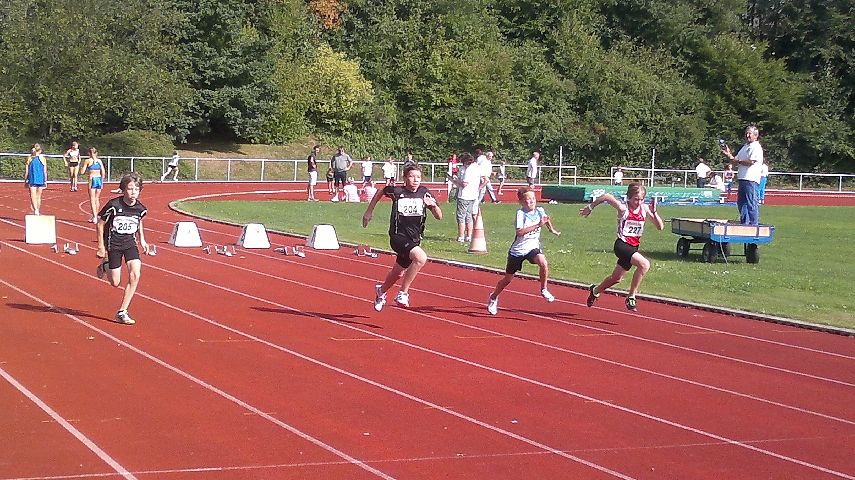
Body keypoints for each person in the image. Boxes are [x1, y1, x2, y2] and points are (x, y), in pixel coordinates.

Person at [363, 164, 442, 311]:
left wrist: (433, 206)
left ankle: (381, 291)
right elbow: (380, 191)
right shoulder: (397, 192)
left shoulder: (424, 193)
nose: (415, 180)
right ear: (405, 178)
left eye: (418, 177)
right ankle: (403, 293)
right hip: (397, 237)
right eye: (412, 176)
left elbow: (439, 217)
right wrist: (368, 212)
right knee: (420, 258)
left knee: (398, 273)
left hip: (414, 239)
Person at [579, 183, 664, 312]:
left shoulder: (645, 209)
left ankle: (595, 290)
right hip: (622, 245)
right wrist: (591, 207)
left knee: (616, 279)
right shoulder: (623, 208)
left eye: (641, 199)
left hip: (633, 247)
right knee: (644, 264)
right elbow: (606, 196)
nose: (638, 202)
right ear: (629, 197)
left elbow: (660, 227)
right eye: (636, 199)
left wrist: (654, 212)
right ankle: (631, 296)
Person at [487, 187, 561, 315]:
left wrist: (552, 230)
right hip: (518, 251)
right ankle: (493, 296)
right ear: (521, 202)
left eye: (533, 199)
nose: (531, 202)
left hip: (532, 247)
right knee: (507, 279)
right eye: (528, 200)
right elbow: (519, 232)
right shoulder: (520, 214)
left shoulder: (540, 210)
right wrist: (538, 225)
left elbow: (546, 219)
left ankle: (543, 289)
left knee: (543, 262)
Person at [95, 173, 149, 325]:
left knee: (135, 274)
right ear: (123, 190)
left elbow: (138, 222)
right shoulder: (113, 205)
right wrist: (101, 246)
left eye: (136, 189)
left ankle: (122, 311)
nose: (133, 192)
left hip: (130, 243)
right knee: (115, 282)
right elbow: (100, 224)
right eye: (130, 189)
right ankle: (105, 265)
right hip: (114, 244)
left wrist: (142, 240)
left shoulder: (141, 209)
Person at [720, 125, 763, 225]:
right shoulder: (745, 147)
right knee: (741, 203)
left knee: (751, 203)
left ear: (755, 135)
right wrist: (728, 154)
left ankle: (754, 225)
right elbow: (735, 160)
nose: (747, 135)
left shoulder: (756, 147)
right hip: (742, 178)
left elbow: (751, 162)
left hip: (751, 179)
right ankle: (744, 224)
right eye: (746, 133)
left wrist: (738, 161)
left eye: (750, 133)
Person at [453, 152, 479, 243]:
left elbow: (464, 184)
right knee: (469, 216)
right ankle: (469, 236)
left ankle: (461, 236)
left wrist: (456, 180)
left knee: (461, 216)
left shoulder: (468, 170)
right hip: (473, 195)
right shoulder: (476, 167)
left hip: (464, 195)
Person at [81, 147, 105, 223]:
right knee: (97, 198)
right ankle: (95, 215)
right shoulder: (99, 161)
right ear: (96, 153)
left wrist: (82, 167)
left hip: (92, 179)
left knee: (92, 198)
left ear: (89, 153)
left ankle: (94, 216)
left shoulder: (87, 161)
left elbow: (82, 172)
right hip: (99, 179)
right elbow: (103, 172)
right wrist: (102, 181)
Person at [24, 144, 47, 215]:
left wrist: (25, 180)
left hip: (32, 178)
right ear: (40, 151)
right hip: (41, 179)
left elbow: (27, 171)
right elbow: (45, 171)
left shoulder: (29, 158)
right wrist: (45, 180)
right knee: (38, 196)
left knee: (33, 195)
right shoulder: (43, 158)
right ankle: (37, 209)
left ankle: (36, 210)